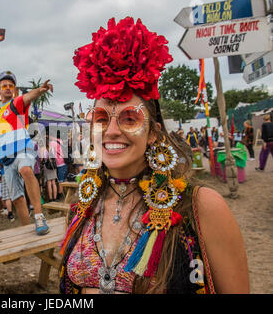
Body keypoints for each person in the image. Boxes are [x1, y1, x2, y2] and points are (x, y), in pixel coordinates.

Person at [59, 17, 249, 294]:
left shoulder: (203, 207)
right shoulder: (81, 206)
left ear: (154, 133)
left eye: (129, 118)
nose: (111, 131)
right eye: (101, 118)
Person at [0, 71, 53, 235]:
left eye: (11, 86)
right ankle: (27, 229)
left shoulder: (16, 103)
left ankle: (39, 216)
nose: (8, 88)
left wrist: (40, 90)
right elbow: (6, 132)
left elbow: (29, 96)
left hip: (23, 149)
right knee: (16, 198)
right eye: (4, 86)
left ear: (14, 89)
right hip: (6, 159)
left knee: (26, 170)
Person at [50, 134, 67, 200]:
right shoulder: (60, 141)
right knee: (64, 179)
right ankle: (65, 194)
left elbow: (51, 152)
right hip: (64, 161)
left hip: (59, 162)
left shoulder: (52, 143)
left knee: (60, 180)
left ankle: (60, 196)